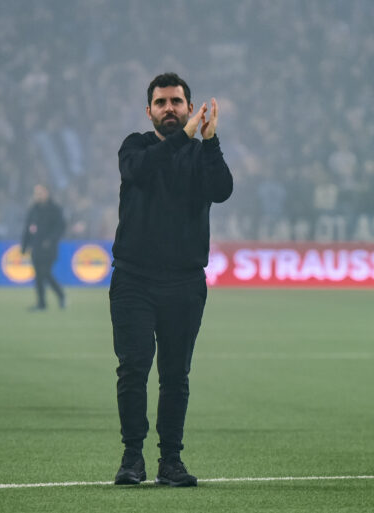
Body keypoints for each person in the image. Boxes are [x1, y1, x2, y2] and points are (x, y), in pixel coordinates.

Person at [110, 73, 232, 487]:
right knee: (132, 370)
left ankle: (171, 462)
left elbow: (222, 190)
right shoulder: (135, 146)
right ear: (149, 111)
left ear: (189, 107)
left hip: (184, 282)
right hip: (134, 279)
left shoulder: (201, 153)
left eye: (176, 102)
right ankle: (132, 459)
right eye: (160, 103)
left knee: (175, 375)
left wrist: (211, 142)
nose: (168, 109)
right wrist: (188, 137)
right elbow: (141, 172)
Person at [20, 184, 66, 311]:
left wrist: (51, 240)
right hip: (36, 248)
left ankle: (61, 295)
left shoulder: (55, 209)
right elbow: (27, 229)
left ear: (47, 193)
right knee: (38, 276)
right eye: (36, 193)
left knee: (45, 273)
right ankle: (41, 303)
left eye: (40, 193)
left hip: (49, 249)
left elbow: (60, 228)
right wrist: (24, 246)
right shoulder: (33, 210)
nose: (38, 196)